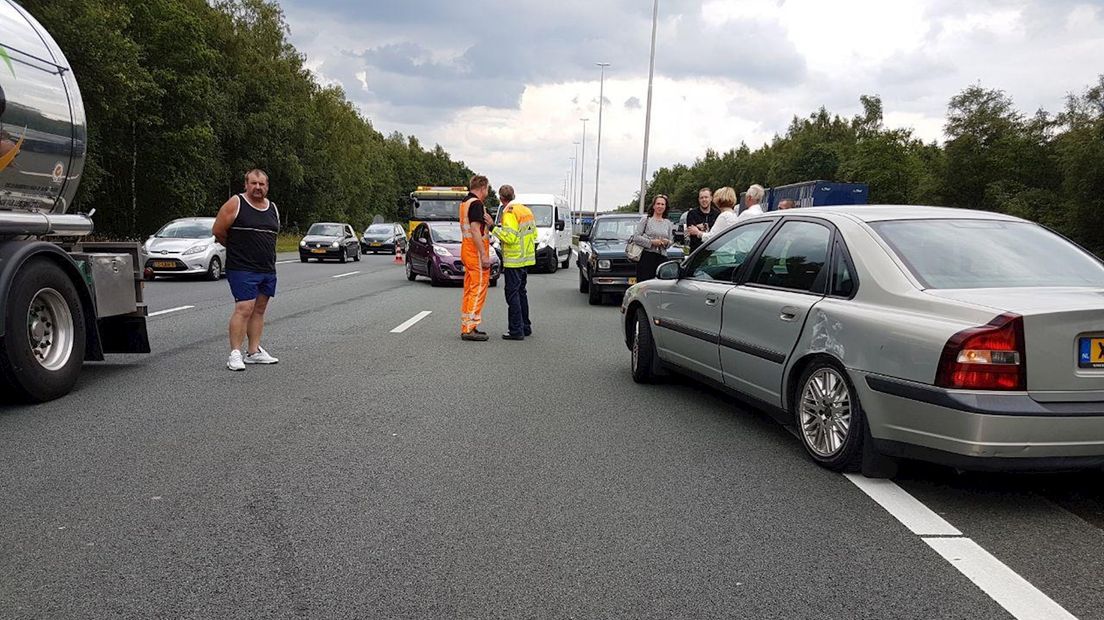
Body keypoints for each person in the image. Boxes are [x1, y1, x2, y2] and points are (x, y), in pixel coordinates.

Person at [213, 169, 280, 371]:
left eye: (262, 184)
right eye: (253, 183)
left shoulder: (273, 208)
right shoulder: (236, 203)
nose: (257, 187)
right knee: (244, 308)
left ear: (267, 186)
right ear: (246, 184)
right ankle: (235, 353)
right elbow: (218, 231)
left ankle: (253, 352)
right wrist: (237, 250)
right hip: (242, 268)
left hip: (266, 268)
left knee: (259, 309)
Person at [491, 184, 537, 340]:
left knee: (512, 295)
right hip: (525, 259)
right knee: (521, 293)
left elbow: (510, 238)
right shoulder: (526, 210)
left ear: (500, 198)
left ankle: (516, 330)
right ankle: (525, 326)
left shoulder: (509, 213)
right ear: (514, 195)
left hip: (514, 260)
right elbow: (534, 233)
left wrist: (493, 228)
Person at [459, 175, 494, 341]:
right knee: (478, 288)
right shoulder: (476, 204)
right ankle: (469, 327)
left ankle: (468, 324)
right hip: (475, 252)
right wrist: (483, 254)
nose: (487, 192)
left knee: (470, 289)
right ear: (482, 188)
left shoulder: (465, 203)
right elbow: (475, 230)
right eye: (486, 189)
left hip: (467, 249)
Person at [630, 194, 675, 282]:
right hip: (647, 257)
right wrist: (651, 242)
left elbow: (671, 241)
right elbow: (636, 237)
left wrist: (666, 242)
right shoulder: (646, 220)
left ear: (665, 207)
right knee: (645, 284)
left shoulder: (668, 223)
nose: (660, 206)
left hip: (662, 258)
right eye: (658, 204)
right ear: (653, 206)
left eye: (662, 204)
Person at [684, 187, 718, 252]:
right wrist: (708, 231)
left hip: (713, 252)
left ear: (711, 198)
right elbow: (692, 232)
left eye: (706, 197)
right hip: (696, 252)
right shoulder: (692, 213)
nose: (704, 199)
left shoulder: (717, 214)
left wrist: (699, 229)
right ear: (698, 199)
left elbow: (716, 235)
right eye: (701, 198)